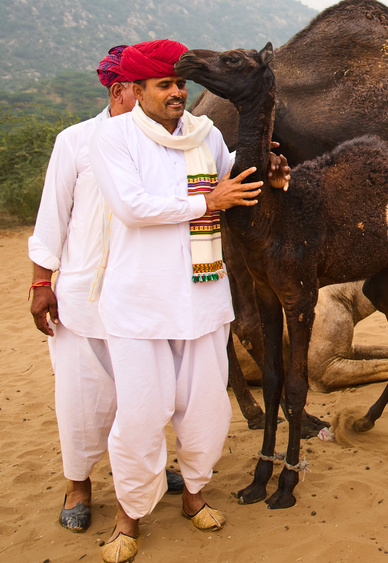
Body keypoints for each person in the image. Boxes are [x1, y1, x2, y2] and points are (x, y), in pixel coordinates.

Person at [87, 39, 280, 563]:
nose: (177, 93)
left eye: (179, 84)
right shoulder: (114, 137)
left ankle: (193, 495)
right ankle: (129, 517)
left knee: (205, 410)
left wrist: (264, 176)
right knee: (141, 415)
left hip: (201, 297)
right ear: (134, 89)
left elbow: (230, 186)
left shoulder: (206, 134)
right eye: (164, 85)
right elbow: (131, 207)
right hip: (139, 304)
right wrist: (208, 201)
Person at [28, 46, 188, 534]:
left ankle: (149, 470)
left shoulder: (170, 141)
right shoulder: (76, 141)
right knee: (81, 397)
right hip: (85, 297)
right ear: (123, 90)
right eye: (151, 85)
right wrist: (40, 283)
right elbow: (51, 218)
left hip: (145, 297)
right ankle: (79, 485)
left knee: (147, 394)